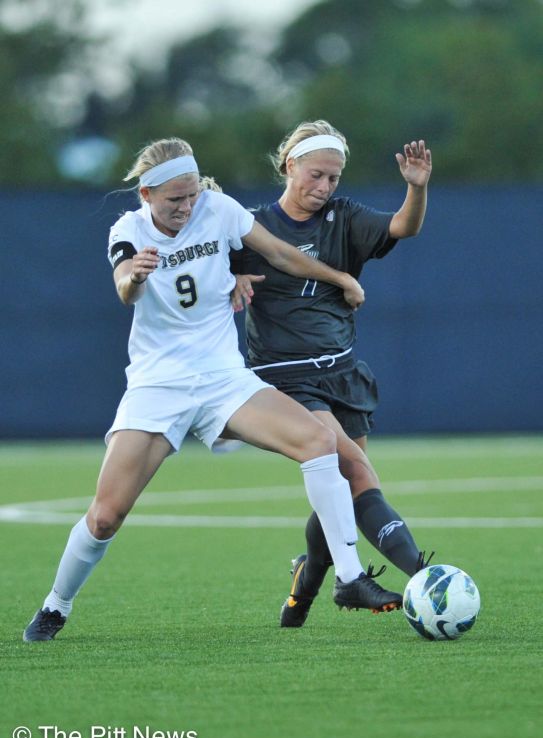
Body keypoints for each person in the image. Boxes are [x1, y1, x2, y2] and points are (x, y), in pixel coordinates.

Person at [23, 136, 405, 643]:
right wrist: (135, 277)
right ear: (146, 194)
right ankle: (56, 605)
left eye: (191, 195)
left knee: (320, 443)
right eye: (173, 199)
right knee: (107, 515)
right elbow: (124, 289)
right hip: (160, 386)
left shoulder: (217, 210)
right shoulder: (128, 229)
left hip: (224, 379)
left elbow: (283, 255)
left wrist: (340, 277)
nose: (186, 206)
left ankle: (350, 577)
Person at [230, 120, 434, 627]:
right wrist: (229, 275)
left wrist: (416, 187)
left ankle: (305, 586)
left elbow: (403, 227)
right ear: (289, 165)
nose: (323, 188)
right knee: (359, 475)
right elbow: (202, 271)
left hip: (343, 373)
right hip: (288, 381)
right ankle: (426, 577)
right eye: (315, 175)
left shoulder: (344, 218)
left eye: (333, 179)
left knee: (342, 488)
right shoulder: (252, 228)